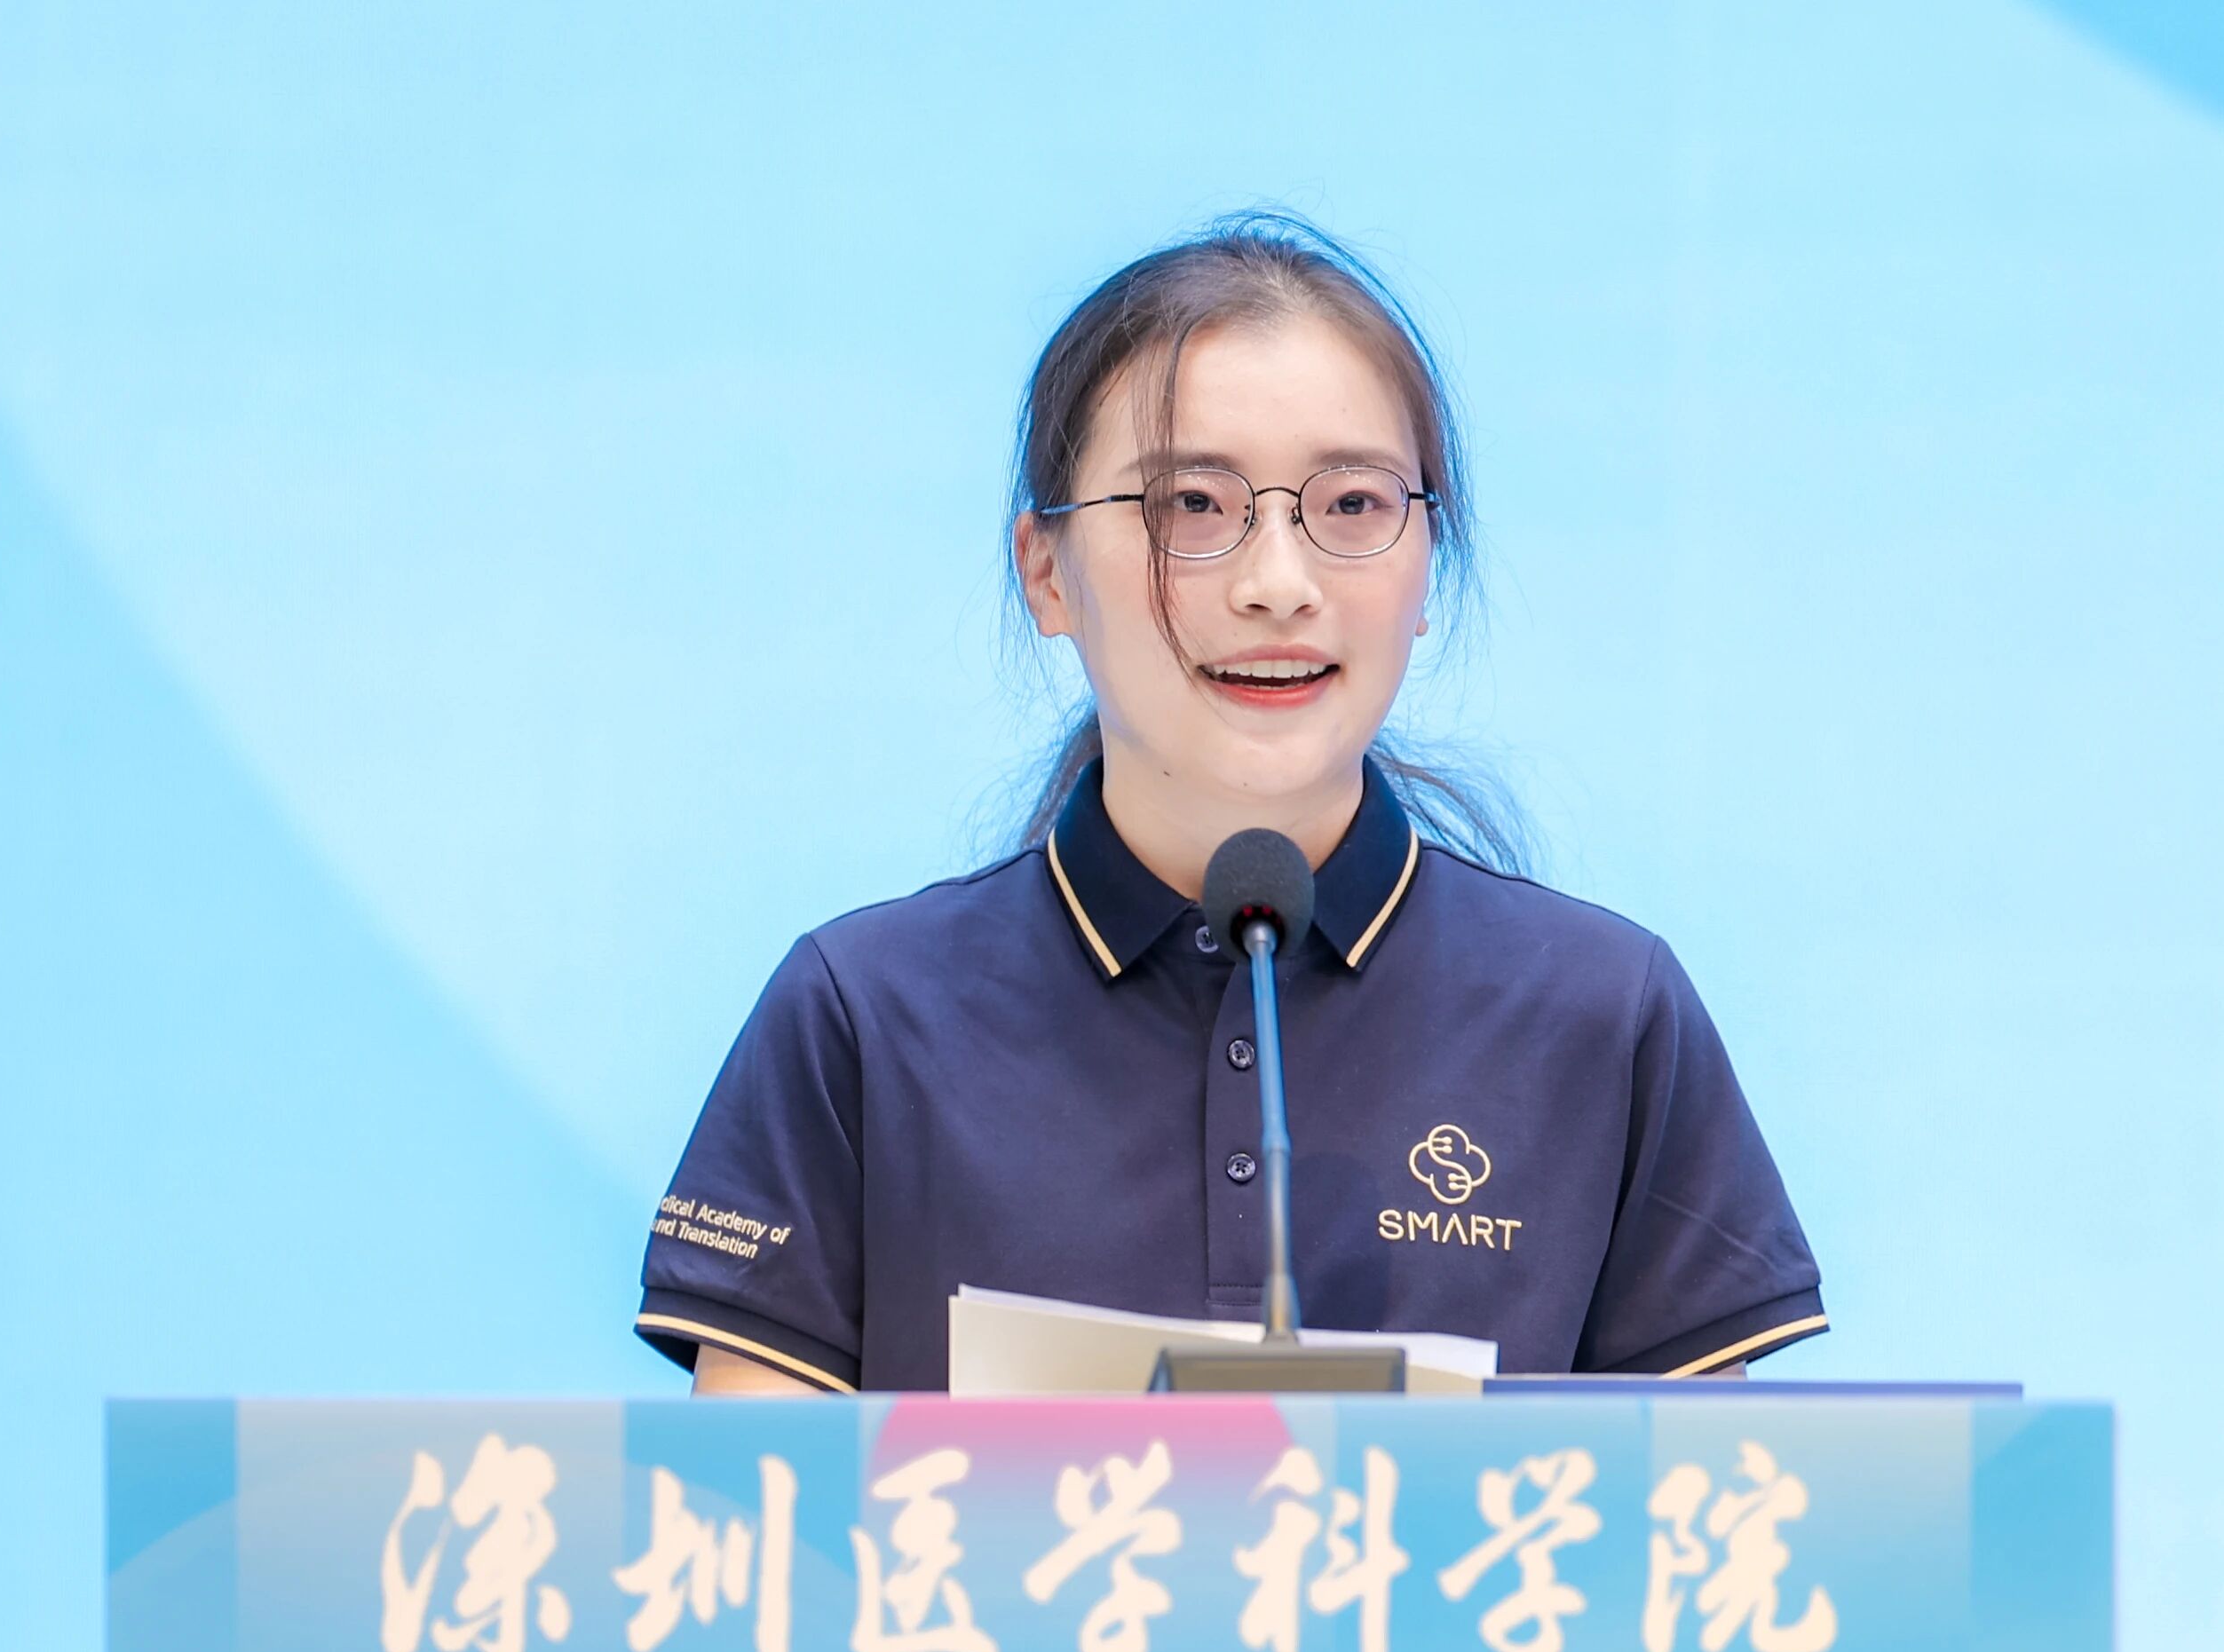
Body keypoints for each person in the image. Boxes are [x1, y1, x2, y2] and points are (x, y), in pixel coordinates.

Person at [637, 214, 1825, 1395]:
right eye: (1191, 506)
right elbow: (746, 1505)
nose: (1278, 584)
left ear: (1427, 567)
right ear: (1045, 571)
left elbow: (1699, 1508)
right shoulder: (861, 1017)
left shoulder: (1604, 1016)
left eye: (1351, 505)